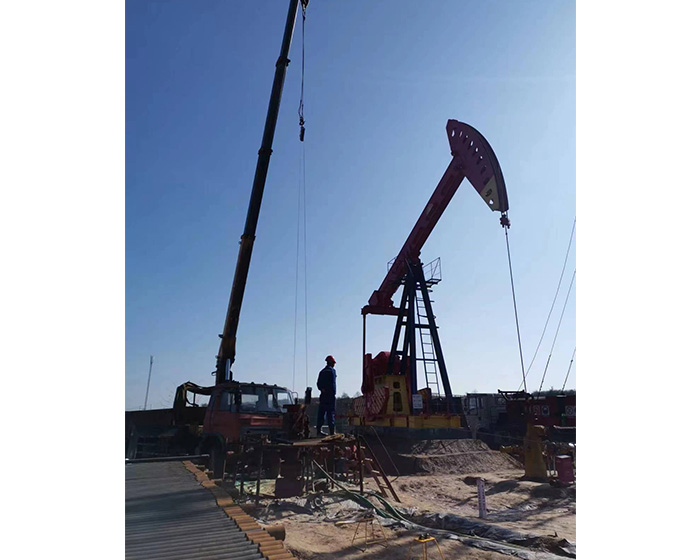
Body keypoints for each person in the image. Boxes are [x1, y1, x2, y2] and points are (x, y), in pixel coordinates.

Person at [316, 355, 337, 436]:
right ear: (331, 363)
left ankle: (318, 431)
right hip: (330, 396)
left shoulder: (322, 371)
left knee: (321, 413)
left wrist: (322, 389)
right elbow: (332, 384)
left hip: (323, 395)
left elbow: (318, 384)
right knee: (330, 413)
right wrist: (331, 392)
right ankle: (331, 432)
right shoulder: (332, 371)